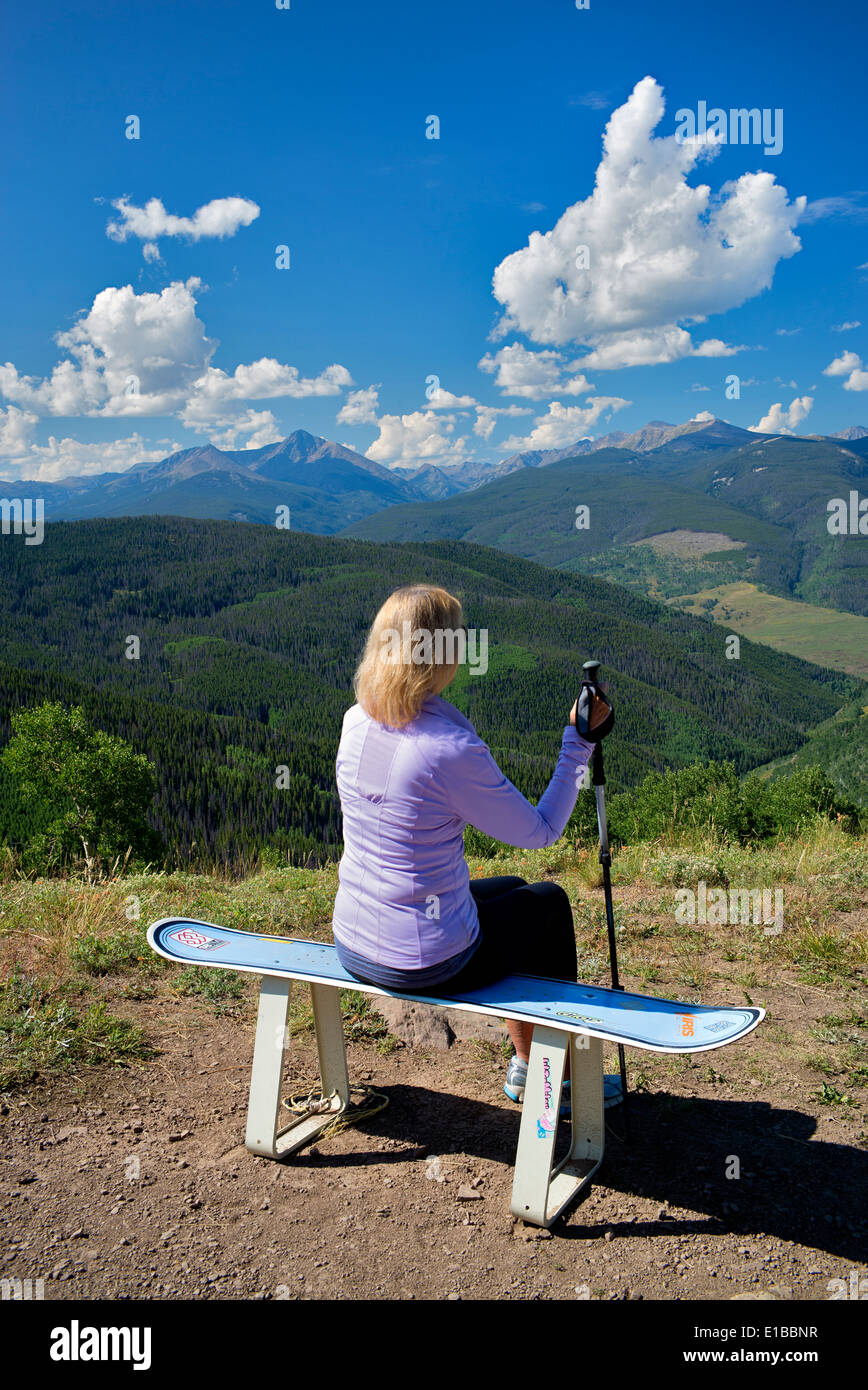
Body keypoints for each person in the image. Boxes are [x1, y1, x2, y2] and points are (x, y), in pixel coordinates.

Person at [331, 582, 598, 1106]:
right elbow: (540, 831)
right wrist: (578, 744)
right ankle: (558, 1084)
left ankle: (527, 1065)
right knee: (548, 905)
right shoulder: (446, 750)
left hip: (354, 940)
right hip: (425, 960)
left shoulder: (356, 719)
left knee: (514, 891)